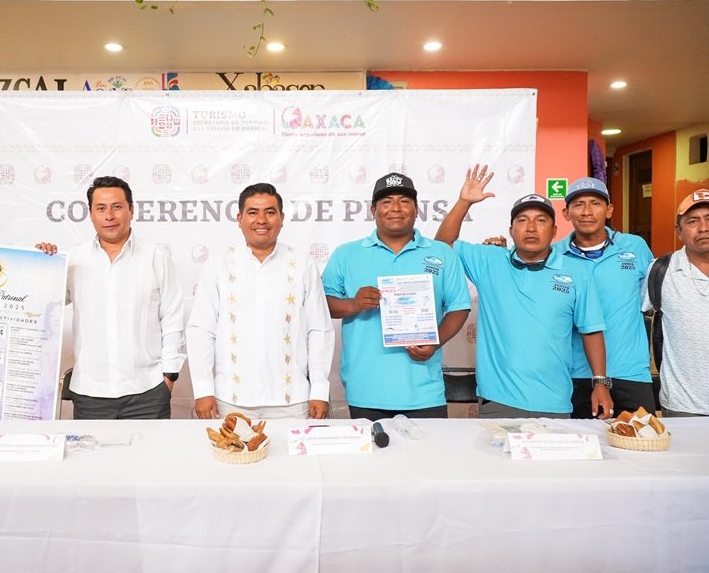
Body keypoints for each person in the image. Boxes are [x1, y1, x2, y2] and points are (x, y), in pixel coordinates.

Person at [435, 165, 613, 419]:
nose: (531, 227)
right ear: (511, 231)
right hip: (498, 400)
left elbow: (591, 330)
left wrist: (600, 383)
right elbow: (442, 246)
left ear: (554, 231)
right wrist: (464, 202)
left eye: (541, 221)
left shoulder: (577, 272)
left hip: (555, 401)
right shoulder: (489, 261)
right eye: (522, 220)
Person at [322, 173, 471, 420]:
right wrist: (353, 304)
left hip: (425, 391)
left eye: (404, 201)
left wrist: (435, 342)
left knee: (430, 448)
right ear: (373, 210)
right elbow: (323, 305)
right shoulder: (346, 254)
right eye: (387, 202)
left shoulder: (442, 253)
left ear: (416, 209)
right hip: (365, 389)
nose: (395, 208)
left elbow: (459, 307)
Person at [37, 176, 185, 419]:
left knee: (153, 448)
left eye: (117, 207)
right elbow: (43, 303)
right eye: (101, 208)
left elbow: (172, 317)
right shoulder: (73, 260)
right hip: (90, 394)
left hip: (148, 392)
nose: (109, 216)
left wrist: (169, 376)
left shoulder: (156, 257)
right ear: (90, 214)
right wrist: (42, 266)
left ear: (131, 210)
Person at [187, 183, 334, 420]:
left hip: (293, 401)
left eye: (270, 212)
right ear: (239, 219)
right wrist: (203, 390)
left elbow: (319, 329)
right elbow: (201, 330)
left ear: (282, 218)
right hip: (230, 400)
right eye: (253, 212)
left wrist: (319, 389)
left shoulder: (302, 263)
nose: (262, 220)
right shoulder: (219, 264)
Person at [554, 177, 656, 417]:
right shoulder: (554, 255)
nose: (587, 211)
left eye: (596, 203)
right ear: (566, 213)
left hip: (630, 373)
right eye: (578, 204)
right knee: (577, 441)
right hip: (574, 374)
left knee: (642, 439)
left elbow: (648, 298)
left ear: (609, 210)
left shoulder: (635, 247)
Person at [641, 189, 709, 416]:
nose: (703, 228)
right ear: (679, 232)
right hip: (682, 405)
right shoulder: (661, 271)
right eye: (692, 221)